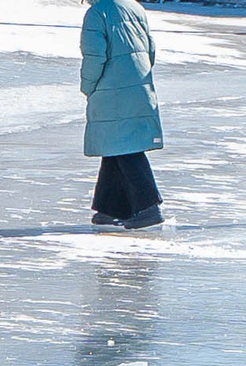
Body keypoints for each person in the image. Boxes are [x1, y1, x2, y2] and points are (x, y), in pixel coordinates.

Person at [79, 0, 164, 231]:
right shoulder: (135, 7)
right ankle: (109, 209)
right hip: (138, 85)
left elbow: (95, 57)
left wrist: (88, 86)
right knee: (116, 145)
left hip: (111, 90)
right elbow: (150, 49)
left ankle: (148, 207)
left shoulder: (97, 13)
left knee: (125, 148)